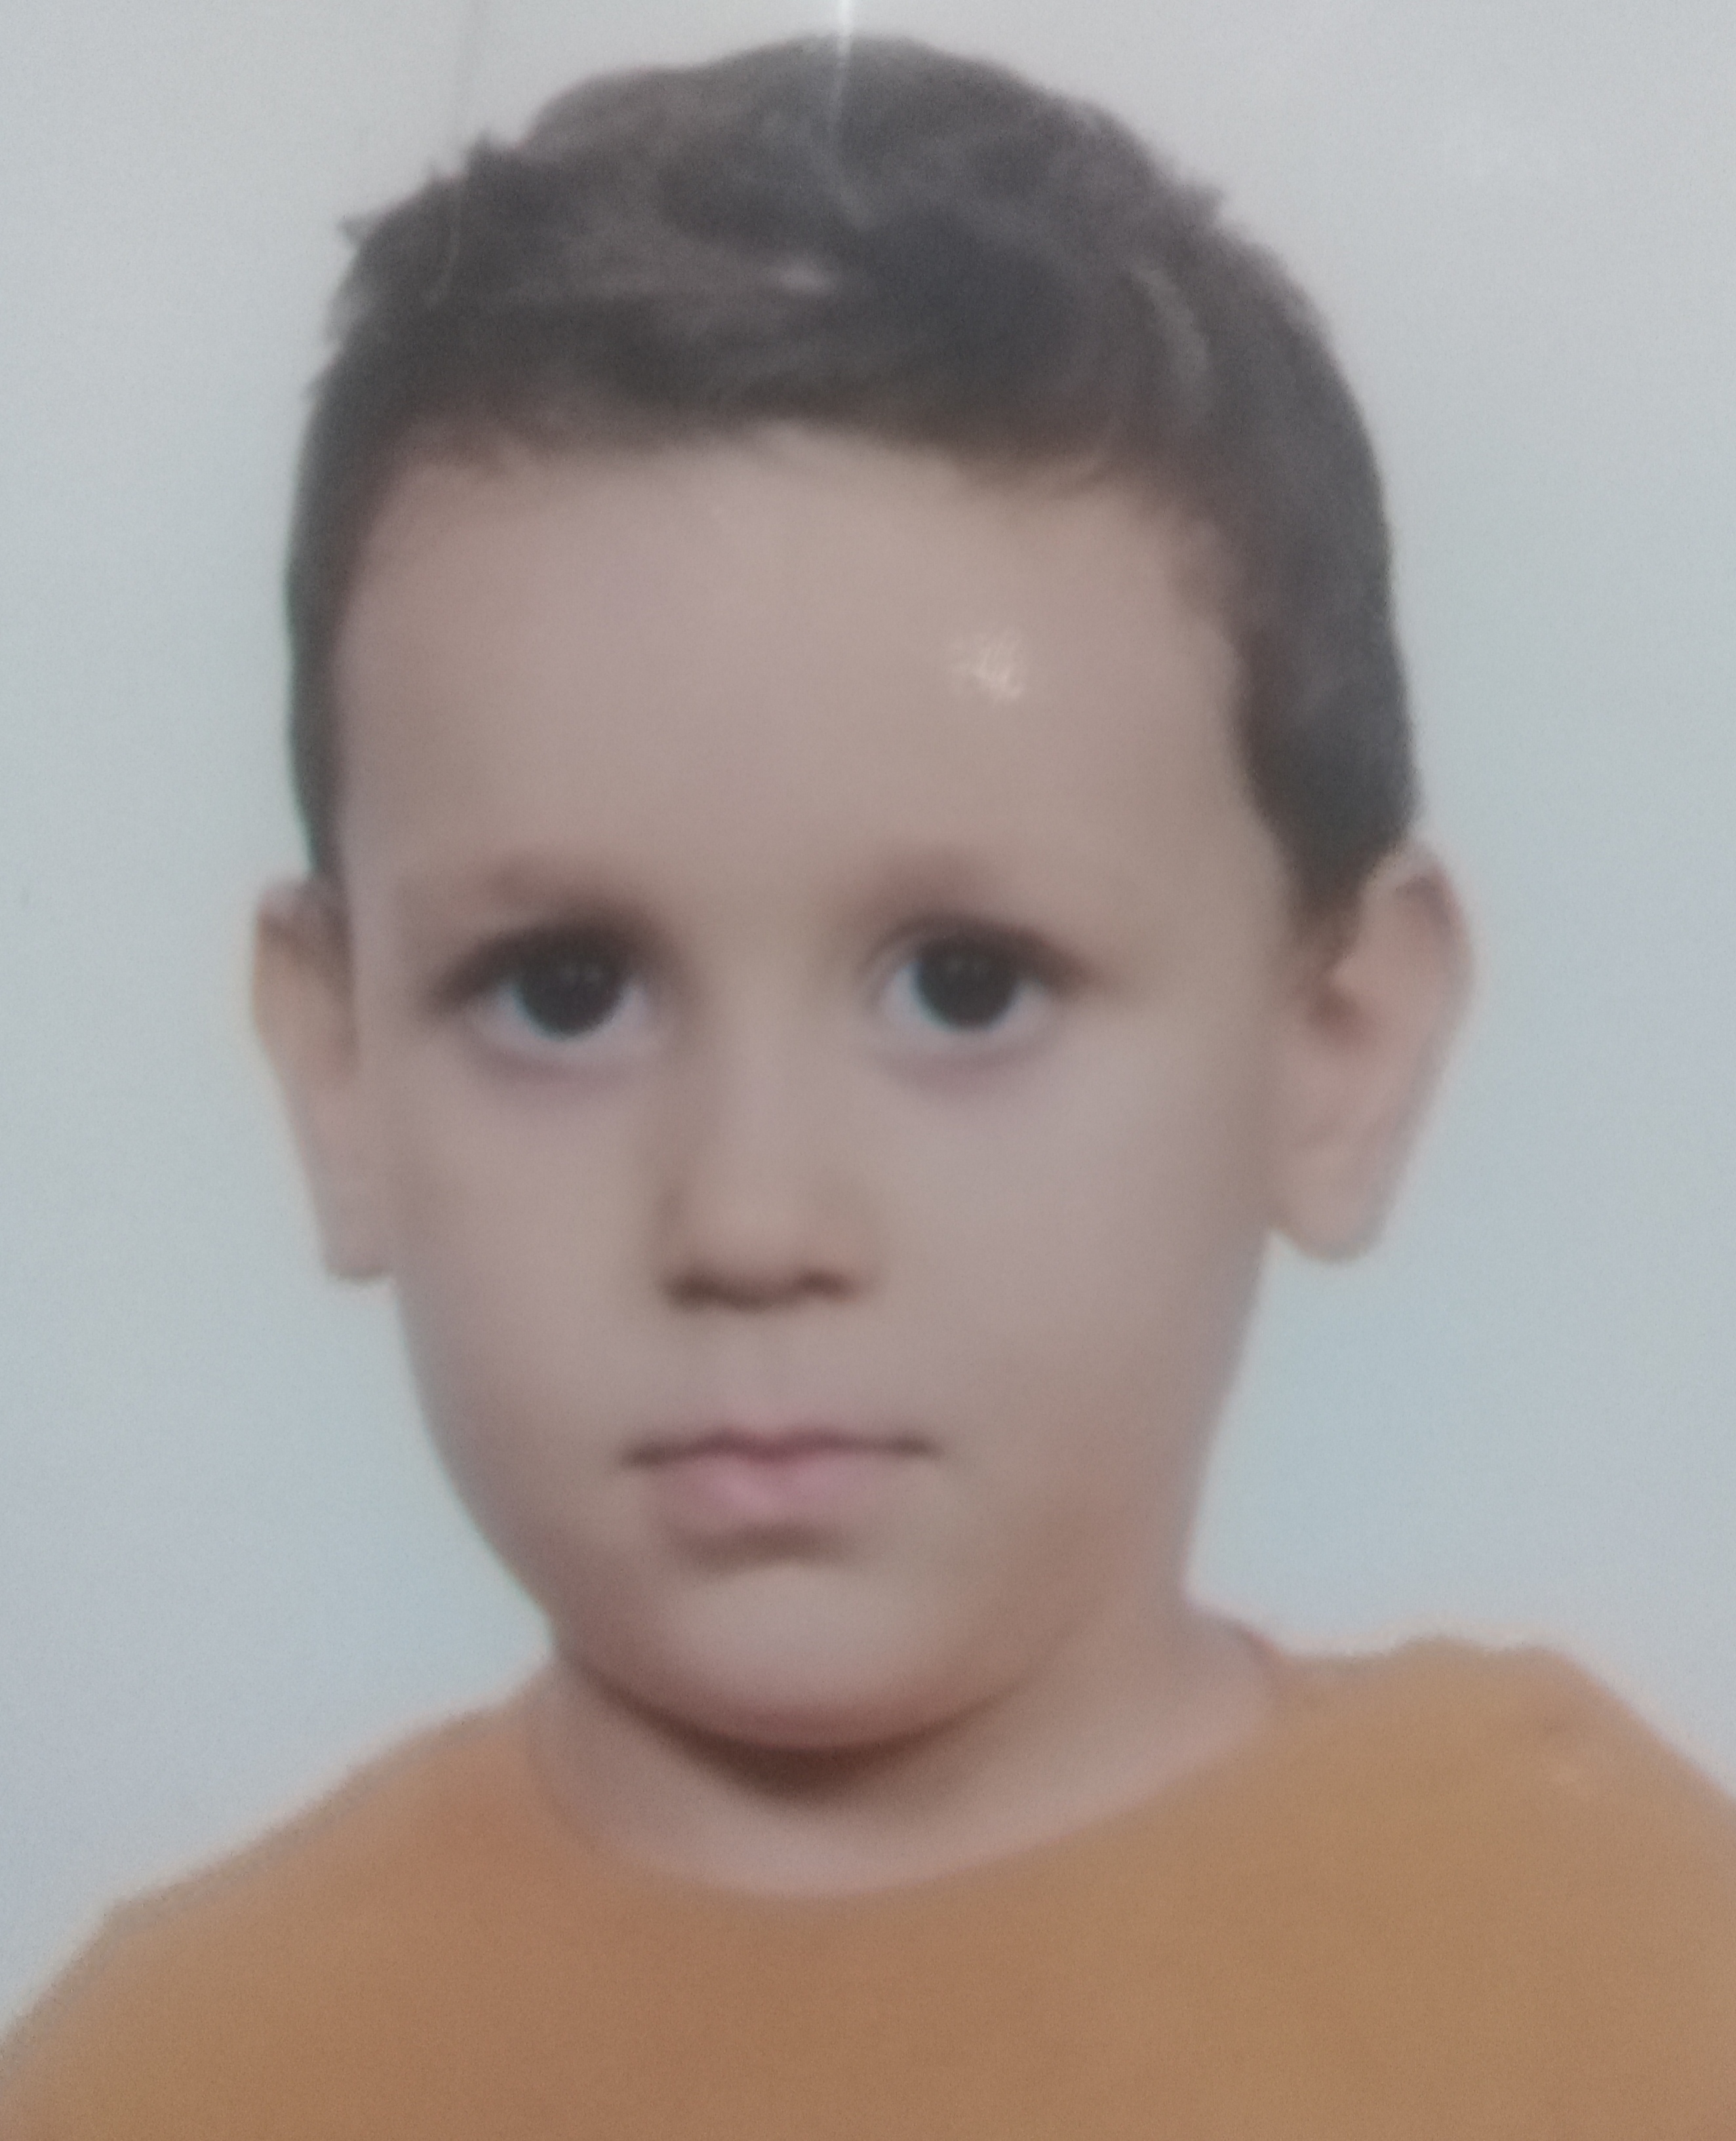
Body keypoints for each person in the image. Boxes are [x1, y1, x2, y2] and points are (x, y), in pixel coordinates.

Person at [3, 33, 1733, 2137]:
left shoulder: (1618, 1965)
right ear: (338, 1060)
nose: (751, 1217)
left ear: (1337, 1041)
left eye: (966, 985)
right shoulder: (174, 2079)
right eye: (564, 991)